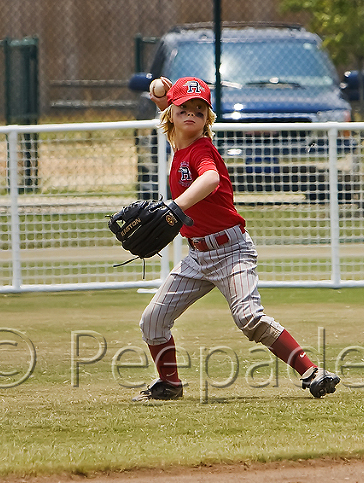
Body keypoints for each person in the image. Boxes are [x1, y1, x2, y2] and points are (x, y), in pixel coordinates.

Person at [132, 76, 340, 402]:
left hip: (232, 251)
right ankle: (169, 384)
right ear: (172, 114)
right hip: (198, 256)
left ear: (207, 120)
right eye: (185, 109)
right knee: (152, 320)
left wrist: (175, 205)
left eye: (200, 111)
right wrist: (165, 101)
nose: (192, 114)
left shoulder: (201, 150)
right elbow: (174, 116)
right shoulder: (180, 144)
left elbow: (211, 179)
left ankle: (313, 372)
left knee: (248, 318)